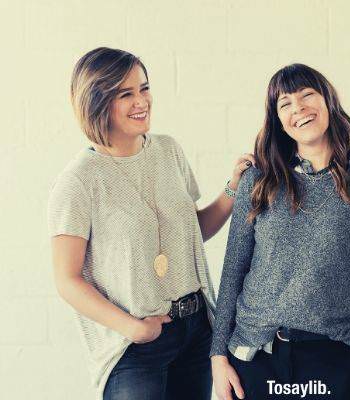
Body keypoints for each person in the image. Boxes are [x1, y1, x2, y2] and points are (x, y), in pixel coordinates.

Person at [48, 47, 254, 400]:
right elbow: (67, 281)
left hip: (196, 330)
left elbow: (191, 234)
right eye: (125, 94)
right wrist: (134, 329)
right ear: (96, 102)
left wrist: (232, 189)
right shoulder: (79, 180)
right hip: (134, 347)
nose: (141, 101)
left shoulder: (168, 150)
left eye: (144, 88)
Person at [209, 63, 350, 400]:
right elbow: (234, 269)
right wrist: (218, 356)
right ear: (277, 119)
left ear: (328, 102)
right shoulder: (258, 180)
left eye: (307, 95)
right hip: (254, 354)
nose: (299, 109)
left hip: (333, 357)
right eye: (285, 104)